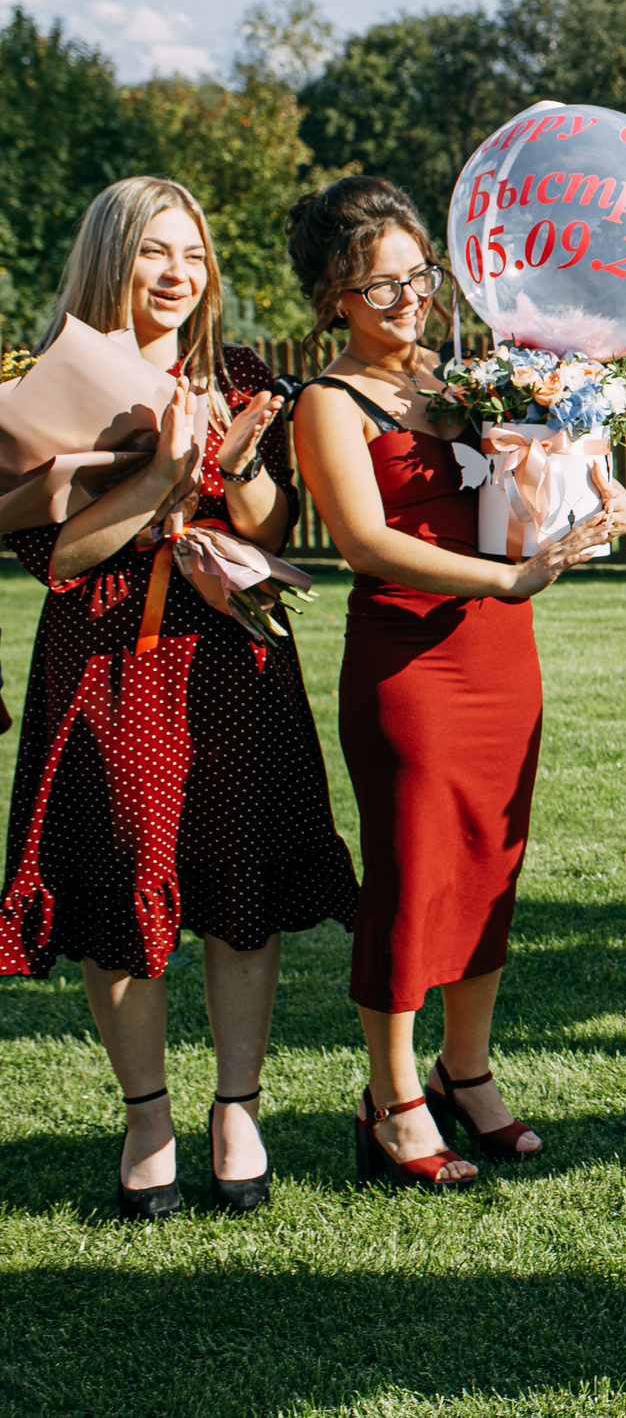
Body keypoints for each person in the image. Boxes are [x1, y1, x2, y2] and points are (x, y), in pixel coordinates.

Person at [0, 177, 356, 1219]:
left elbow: (271, 534)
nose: (178, 275)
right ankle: (148, 1116)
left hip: (229, 659)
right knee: (121, 884)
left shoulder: (237, 372)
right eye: (157, 252)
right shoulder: (37, 383)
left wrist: (237, 470)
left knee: (240, 878)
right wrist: (158, 479)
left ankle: (236, 1106)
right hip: (108, 655)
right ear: (111, 256)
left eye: (193, 256)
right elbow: (59, 554)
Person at [289, 176, 626, 1190]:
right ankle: (392, 1097)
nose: (409, 300)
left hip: (500, 656)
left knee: (492, 860)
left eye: (419, 276)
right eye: (379, 285)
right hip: (408, 663)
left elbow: (552, 468)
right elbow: (367, 543)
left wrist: (600, 498)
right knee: (412, 871)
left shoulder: (471, 378)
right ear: (333, 299)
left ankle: (466, 1068)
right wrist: (507, 577)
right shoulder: (328, 400)